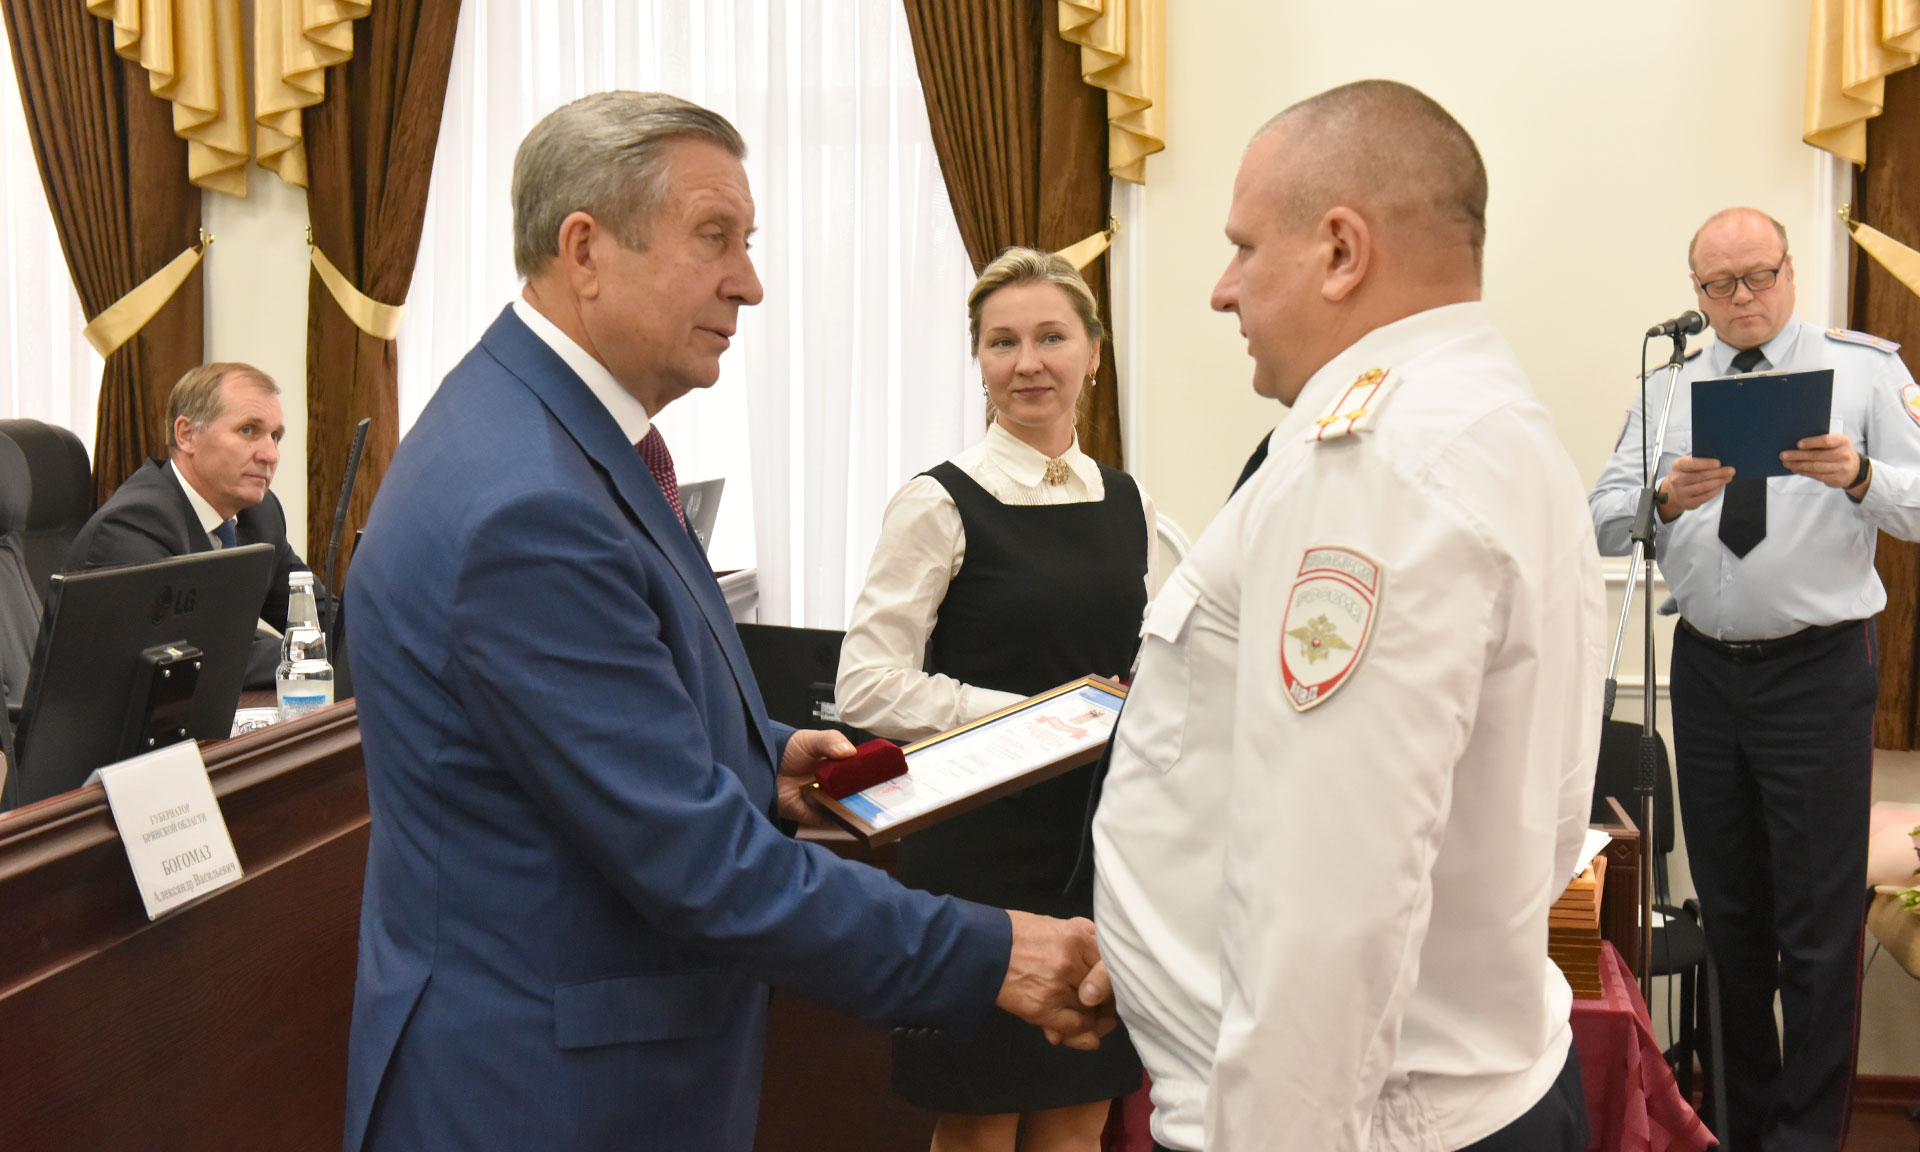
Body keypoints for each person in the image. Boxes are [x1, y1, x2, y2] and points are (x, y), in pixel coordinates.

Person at [341, 92, 1115, 1152]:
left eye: (748, 243)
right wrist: (995, 955)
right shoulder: (528, 503)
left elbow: (591, 730)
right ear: (585, 251)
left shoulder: (546, 431)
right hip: (543, 1095)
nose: (749, 282)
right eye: (716, 238)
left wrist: (762, 756)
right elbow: (698, 865)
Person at [1091, 79, 1605, 1152]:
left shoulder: (1378, 465)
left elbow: (1328, 902)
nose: (1222, 290)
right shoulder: (1488, 421)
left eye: (1243, 247)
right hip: (1457, 1095)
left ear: (1339, 251)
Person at [1589, 206, 1920, 1152]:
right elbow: (1601, 515)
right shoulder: (1669, 388)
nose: (1741, 299)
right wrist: (1662, 499)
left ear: (1789, 271)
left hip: (1817, 669)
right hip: (1707, 670)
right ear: (1696, 292)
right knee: (1732, 917)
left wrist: (1862, 477)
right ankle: (1740, 1124)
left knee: (1816, 923)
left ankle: (1805, 1139)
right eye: (1718, 285)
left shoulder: (1864, 371)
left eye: (1758, 277)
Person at [837, 247, 1151, 1152]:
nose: (1028, 363)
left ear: (1094, 351)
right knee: (979, 1122)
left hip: (1099, 850)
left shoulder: (1126, 498)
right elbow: (865, 683)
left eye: (1052, 337)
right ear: (979, 359)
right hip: (976, 853)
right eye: (1002, 342)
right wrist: (1032, 721)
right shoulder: (937, 502)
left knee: (1081, 1118)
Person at [62, 362, 312, 688]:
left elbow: (317, 616)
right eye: (248, 430)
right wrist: (309, 652)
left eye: (275, 436)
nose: (271, 454)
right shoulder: (132, 525)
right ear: (187, 435)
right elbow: (194, 660)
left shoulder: (261, 514)